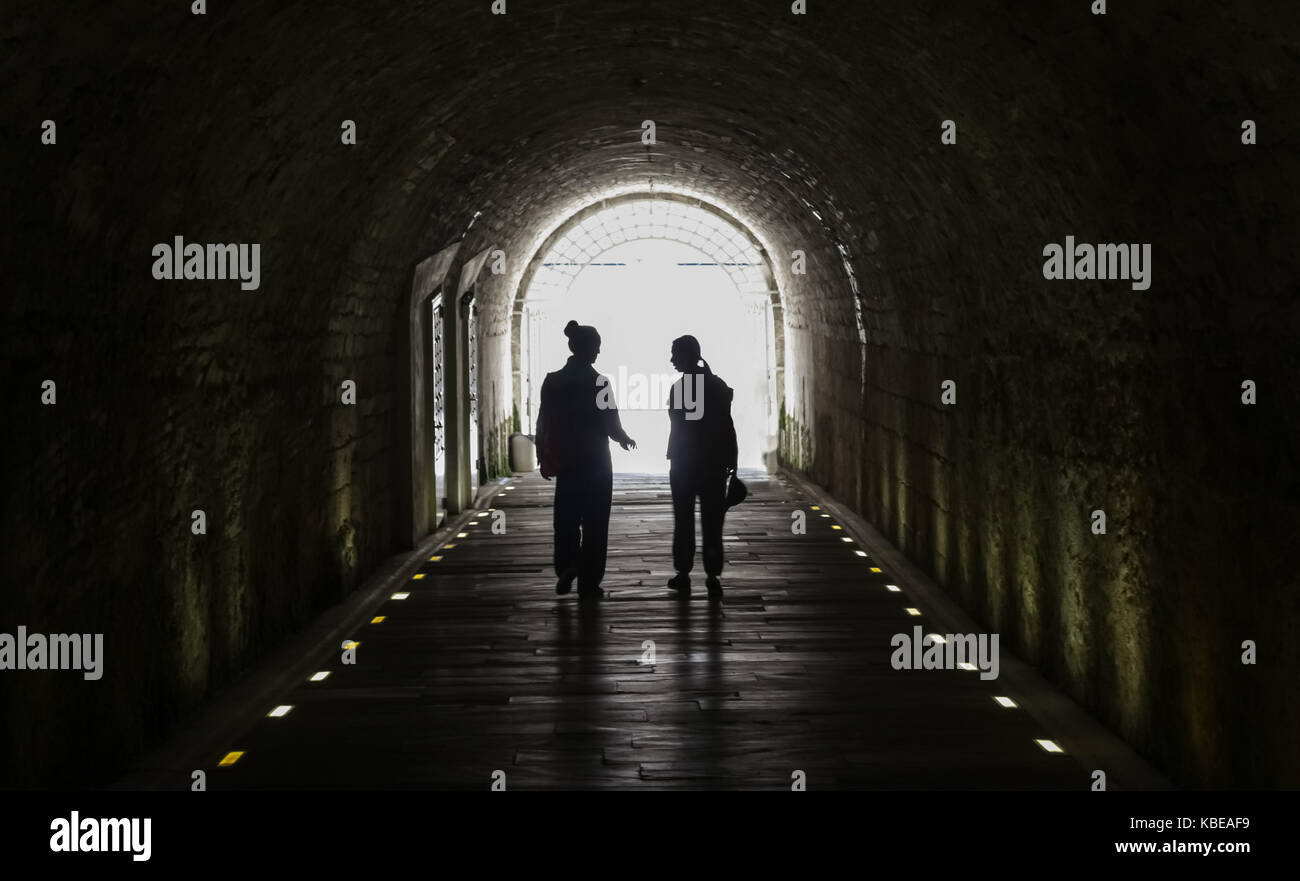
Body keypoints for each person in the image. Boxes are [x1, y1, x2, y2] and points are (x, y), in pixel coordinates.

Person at [535, 320, 636, 598]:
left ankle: (567, 563)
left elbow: (544, 421)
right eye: (597, 346)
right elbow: (609, 421)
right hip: (596, 462)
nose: (599, 351)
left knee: (566, 518)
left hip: (566, 460)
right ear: (587, 348)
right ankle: (589, 580)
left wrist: (542, 453)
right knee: (595, 521)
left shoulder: (553, 381)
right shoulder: (599, 382)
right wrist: (623, 438)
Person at [665, 335, 738, 599]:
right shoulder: (717, 385)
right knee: (712, 521)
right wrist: (732, 460)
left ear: (686, 356)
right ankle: (712, 574)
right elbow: (727, 426)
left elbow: (678, 423)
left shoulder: (680, 388)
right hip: (713, 464)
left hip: (684, 462)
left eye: (675, 354)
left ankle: (683, 572)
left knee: (683, 519)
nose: (672, 359)